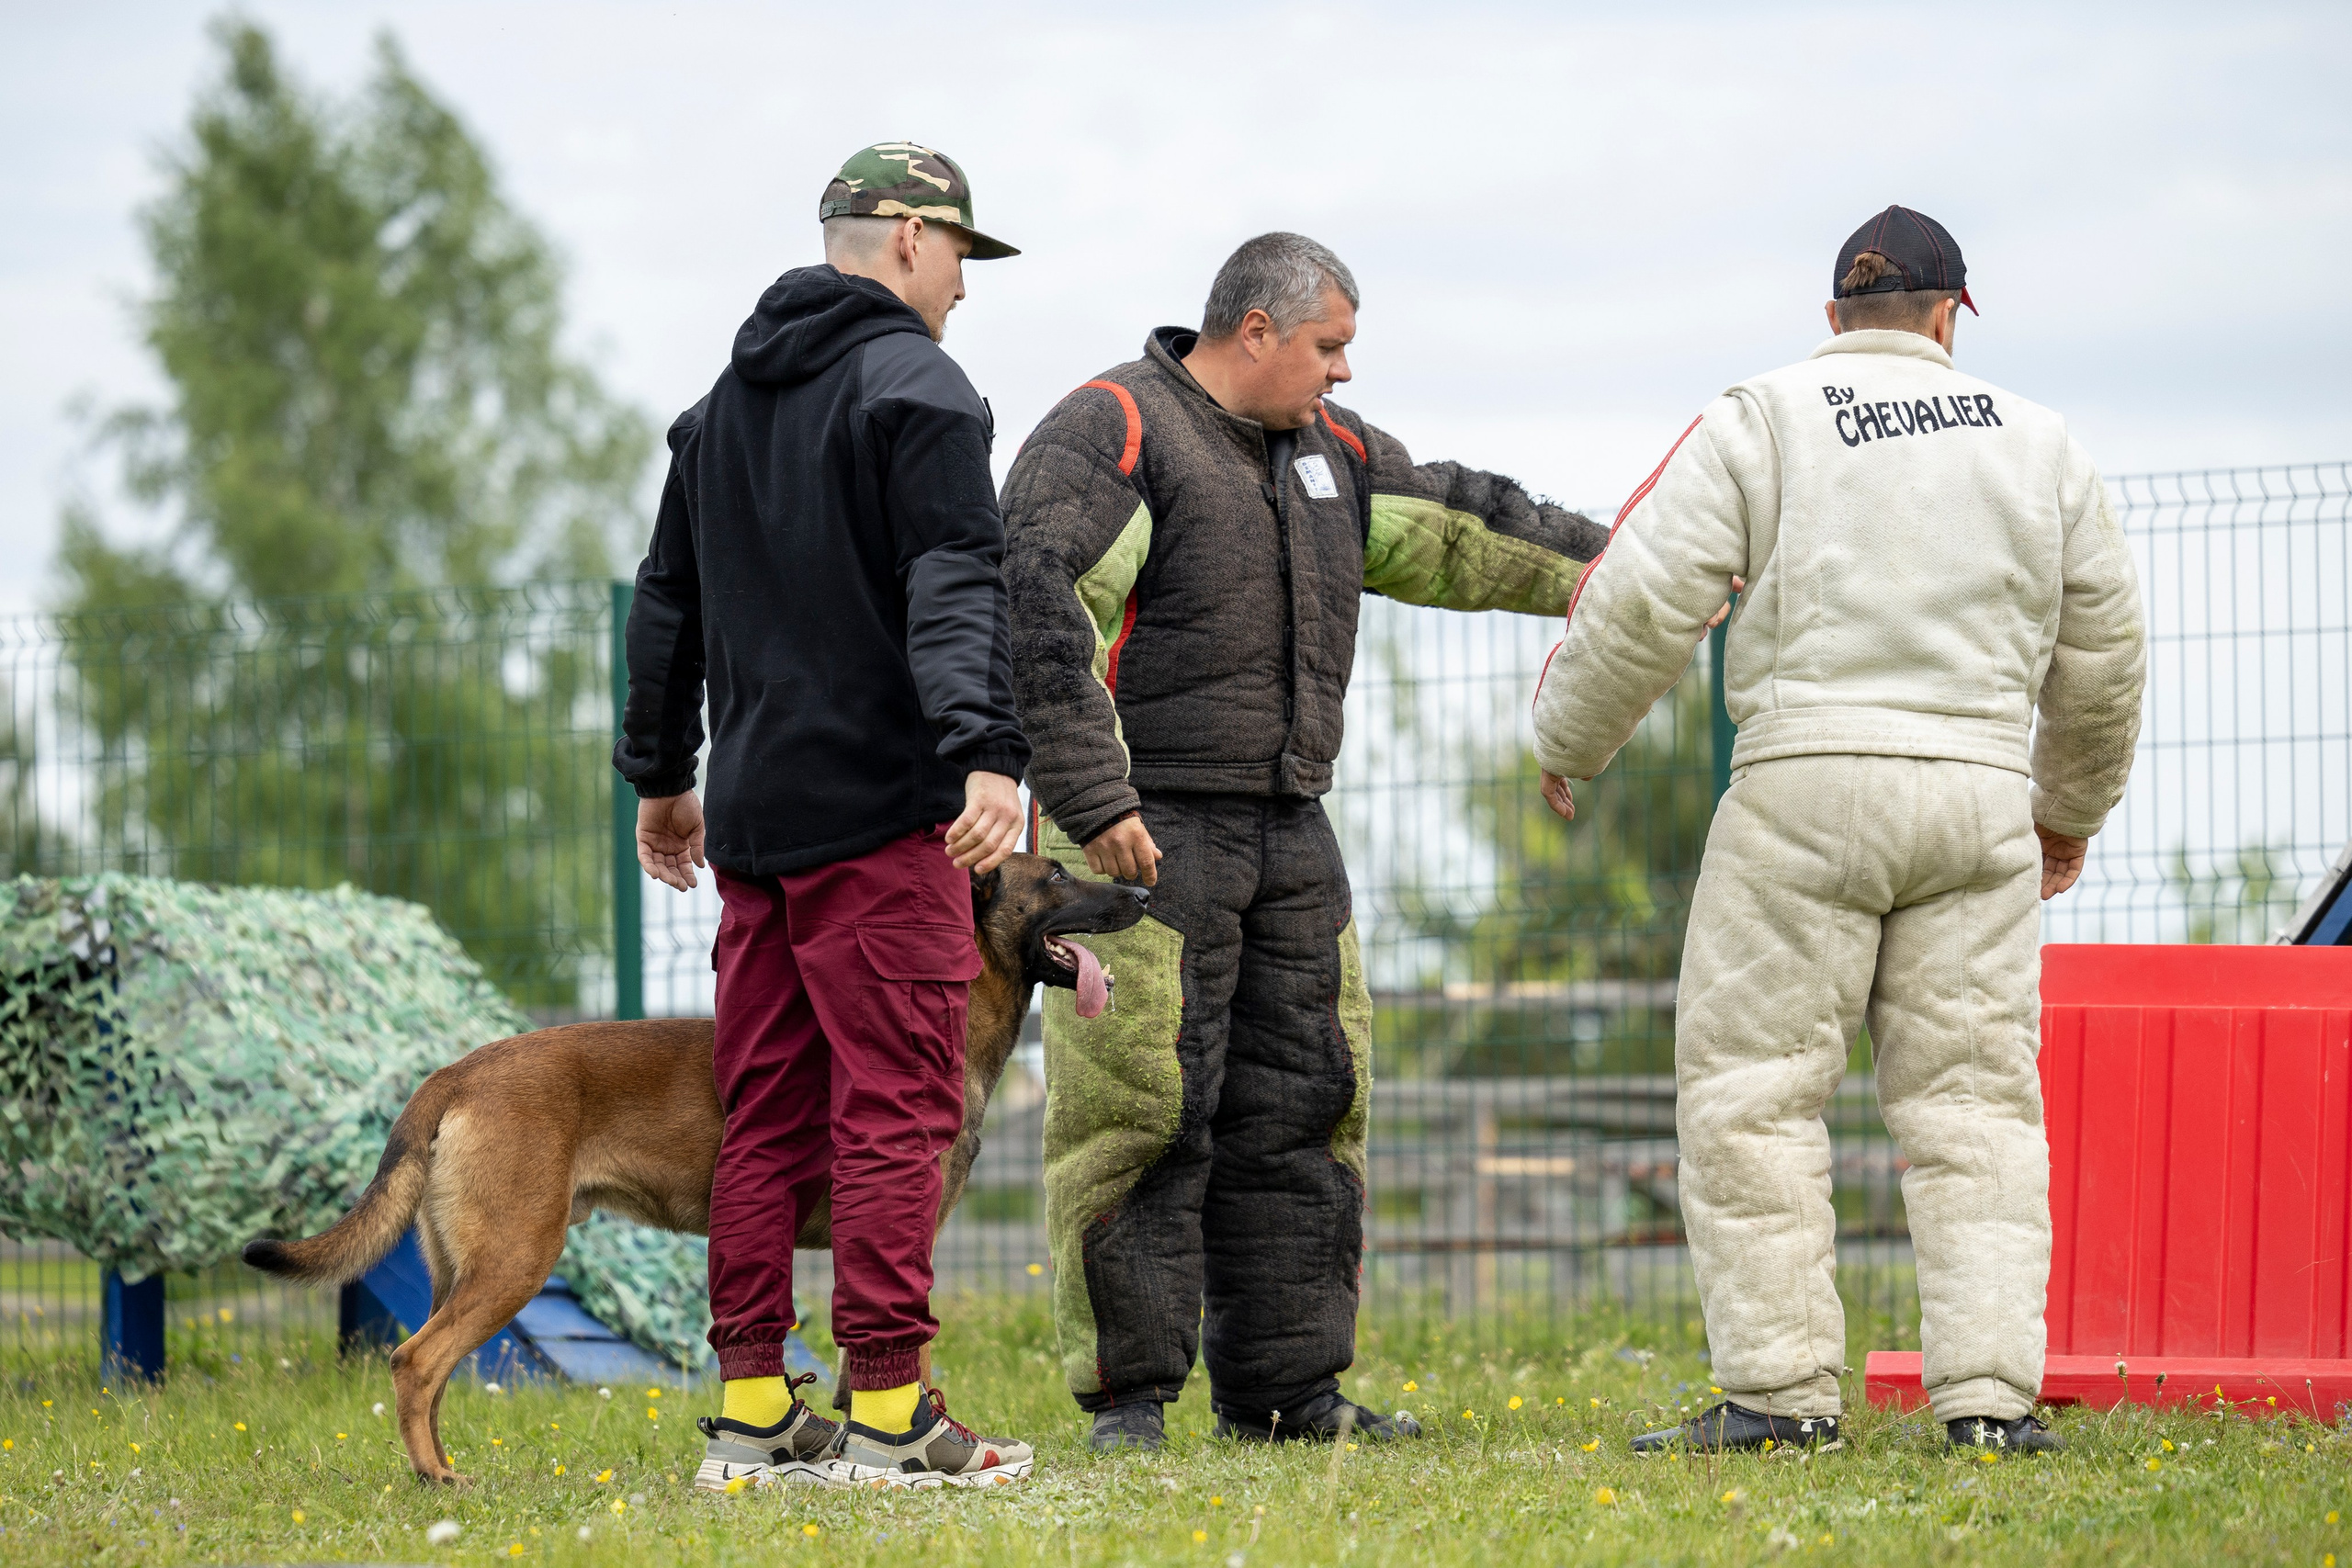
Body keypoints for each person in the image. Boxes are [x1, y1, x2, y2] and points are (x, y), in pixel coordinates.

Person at [1532, 206, 2145, 1455]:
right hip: (1976, 803)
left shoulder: (1761, 420)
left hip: (1802, 791)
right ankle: (1989, 1403)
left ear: (1832, 321)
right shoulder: (2042, 447)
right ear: (1947, 317)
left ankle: (1782, 1393)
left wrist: (1568, 741)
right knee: (1975, 1111)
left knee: (1756, 1093)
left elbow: (1646, 594)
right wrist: (2066, 815)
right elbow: (2106, 655)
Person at [1002, 231, 1608, 1452]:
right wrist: (1094, 796)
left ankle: (1290, 1396)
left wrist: (1621, 567)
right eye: (1329, 348)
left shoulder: (1332, 455)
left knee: (1306, 1103)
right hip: (1143, 831)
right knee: (1143, 1111)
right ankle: (1130, 1400)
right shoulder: (1113, 429)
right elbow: (1039, 604)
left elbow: (1464, 526)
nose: (1342, 375)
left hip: (1292, 829)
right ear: (1258, 330)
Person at [616, 141, 1037, 1490]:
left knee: (770, 1115)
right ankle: (892, 1414)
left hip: (755, 827)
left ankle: (751, 1414)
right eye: (965, 255)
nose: (966, 289)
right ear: (909, 236)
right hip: (880, 821)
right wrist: (982, 750)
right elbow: (955, 579)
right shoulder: (921, 388)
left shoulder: (718, 407)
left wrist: (661, 776)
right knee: (896, 1111)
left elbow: (664, 601)